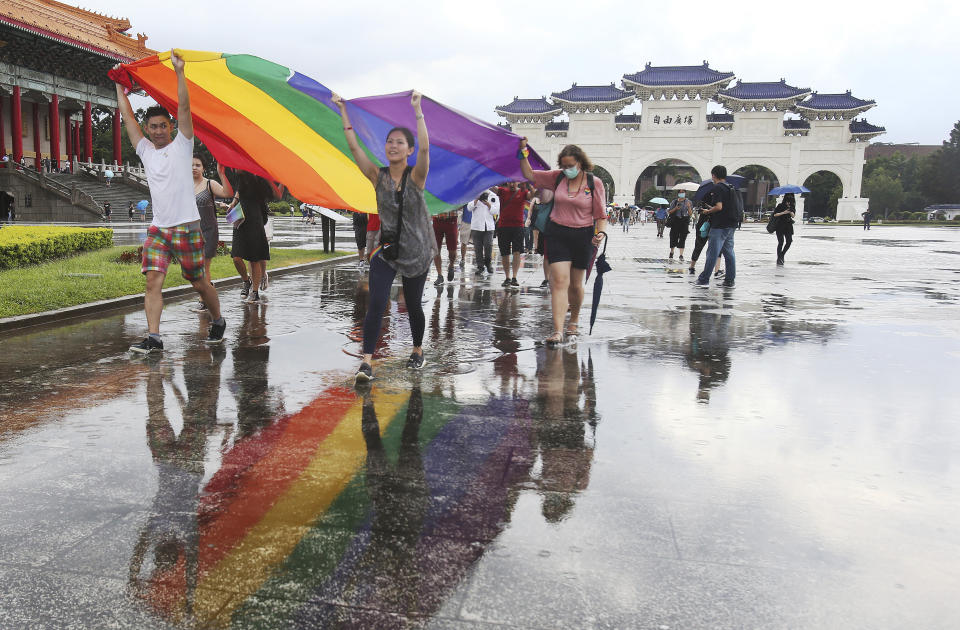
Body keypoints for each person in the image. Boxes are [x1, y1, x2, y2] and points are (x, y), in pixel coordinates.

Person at [113, 50, 226, 353]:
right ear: (148, 129)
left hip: (187, 227)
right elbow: (127, 117)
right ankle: (154, 338)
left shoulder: (182, 145)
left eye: (164, 125)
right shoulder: (145, 150)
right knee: (152, 281)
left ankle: (218, 319)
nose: (159, 131)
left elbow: (185, 109)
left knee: (200, 283)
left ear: (171, 128)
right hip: (159, 230)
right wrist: (118, 88)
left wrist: (179, 73)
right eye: (153, 127)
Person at [333, 90, 434, 382]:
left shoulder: (417, 176)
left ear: (409, 150)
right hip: (386, 249)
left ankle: (417, 350)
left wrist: (418, 111)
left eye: (399, 142)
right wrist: (344, 113)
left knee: (412, 304)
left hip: (416, 251)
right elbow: (355, 151)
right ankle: (366, 361)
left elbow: (426, 150)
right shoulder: (377, 176)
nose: (393, 146)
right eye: (389, 142)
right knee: (376, 302)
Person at [518, 140, 607, 345]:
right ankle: (557, 330)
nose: (567, 170)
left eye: (571, 166)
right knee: (558, 282)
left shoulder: (594, 183)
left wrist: (600, 233)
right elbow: (529, 174)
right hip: (557, 233)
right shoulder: (556, 177)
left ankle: (573, 322)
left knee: (575, 285)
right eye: (564, 166)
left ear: (581, 164)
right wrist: (523, 152)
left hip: (583, 236)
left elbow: (601, 215)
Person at [225, 170, 283, 304]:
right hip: (240, 219)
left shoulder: (262, 177)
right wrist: (234, 202)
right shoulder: (243, 173)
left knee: (254, 258)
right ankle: (246, 281)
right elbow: (239, 189)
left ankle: (255, 292)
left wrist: (270, 177)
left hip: (256, 218)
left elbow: (277, 195)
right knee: (236, 257)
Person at [189, 154, 234, 313]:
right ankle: (209, 290)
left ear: (203, 168)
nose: (194, 167)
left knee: (203, 268)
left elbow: (228, 193)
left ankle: (204, 300)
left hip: (209, 231)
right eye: (192, 165)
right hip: (191, 232)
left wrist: (221, 174)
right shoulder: (184, 185)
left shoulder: (209, 183)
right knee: (195, 269)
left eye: (198, 165)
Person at [696, 165, 737, 288]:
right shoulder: (731, 187)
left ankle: (704, 279)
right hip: (731, 224)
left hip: (720, 225)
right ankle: (730, 279)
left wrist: (707, 211)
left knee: (712, 252)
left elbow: (719, 207)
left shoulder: (718, 188)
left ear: (714, 175)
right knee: (729, 252)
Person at [495, 181, 530, 288]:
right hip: (503, 227)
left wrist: (532, 185)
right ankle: (507, 277)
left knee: (516, 252)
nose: (512, 184)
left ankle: (514, 277)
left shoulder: (523, 192)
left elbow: (533, 195)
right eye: (510, 182)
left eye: (514, 182)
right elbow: (491, 187)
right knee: (505, 253)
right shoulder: (502, 191)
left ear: (518, 182)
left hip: (518, 227)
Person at [468, 190, 498, 277]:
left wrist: (488, 204)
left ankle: (488, 263)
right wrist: (476, 199)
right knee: (478, 248)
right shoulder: (474, 193)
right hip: (476, 226)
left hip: (488, 226)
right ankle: (480, 267)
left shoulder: (493, 196)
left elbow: (496, 211)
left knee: (488, 245)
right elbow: (469, 208)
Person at [431, 207, 459, 285]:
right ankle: (439, 275)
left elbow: (461, 202)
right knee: (436, 250)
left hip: (451, 220)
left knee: (452, 250)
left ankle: (451, 265)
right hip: (437, 220)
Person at [667, 192, 692, 260]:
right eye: (680, 192)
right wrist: (676, 208)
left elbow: (690, 213)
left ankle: (681, 254)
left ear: (685, 193)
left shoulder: (688, 202)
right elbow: (669, 212)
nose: (681, 194)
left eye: (683, 192)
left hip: (684, 221)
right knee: (673, 236)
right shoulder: (674, 202)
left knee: (683, 237)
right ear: (678, 193)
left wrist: (689, 206)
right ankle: (672, 252)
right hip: (675, 221)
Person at [773, 193, 796, 265]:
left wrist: (790, 211)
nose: (789, 200)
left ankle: (782, 255)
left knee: (789, 241)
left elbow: (793, 216)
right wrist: (784, 212)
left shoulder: (792, 206)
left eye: (791, 197)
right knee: (781, 242)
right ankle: (779, 258)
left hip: (788, 226)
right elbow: (775, 214)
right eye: (788, 197)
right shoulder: (780, 205)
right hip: (780, 225)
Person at [458, 203, 472, 270]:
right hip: (466, 221)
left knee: (479, 243)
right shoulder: (467, 195)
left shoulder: (481, 194)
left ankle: (481, 262)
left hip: (478, 222)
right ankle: (463, 259)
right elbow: (458, 207)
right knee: (464, 242)